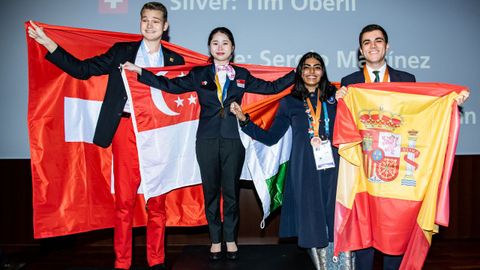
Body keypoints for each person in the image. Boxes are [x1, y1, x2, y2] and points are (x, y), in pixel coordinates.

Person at [27, 2, 184, 270]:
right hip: (125, 131)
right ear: (140, 23)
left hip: (157, 136)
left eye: (155, 21)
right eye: (145, 20)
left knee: (157, 202)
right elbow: (82, 70)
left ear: (165, 26)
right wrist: (48, 43)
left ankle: (156, 261)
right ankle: (122, 262)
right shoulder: (122, 52)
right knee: (123, 202)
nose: (149, 25)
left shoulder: (174, 61)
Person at [122, 26, 295, 261]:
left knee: (232, 194)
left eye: (225, 43)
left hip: (234, 141)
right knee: (211, 192)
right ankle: (215, 240)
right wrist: (140, 71)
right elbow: (170, 87)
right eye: (215, 43)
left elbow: (272, 88)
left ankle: (231, 240)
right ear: (210, 48)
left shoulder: (242, 75)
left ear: (232, 49)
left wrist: (298, 72)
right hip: (206, 141)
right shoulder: (199, 74)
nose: (220, 47)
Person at [338, 23, 468, 270]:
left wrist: (451, 100)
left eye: (378, 41)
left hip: (395, 171)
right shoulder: (350, 83)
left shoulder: (407, 80)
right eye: (367, 42)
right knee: (364, 231)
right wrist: (339, 100)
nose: (373, 46)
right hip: (364, 172)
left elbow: (424, 112)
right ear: (360, 51)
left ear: (387, 46)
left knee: (394, 231)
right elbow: (343, 123)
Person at [230, 52, 353, 270]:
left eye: (317, 67)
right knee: (312, 216)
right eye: (306, 67)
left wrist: (348, 97)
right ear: (299, 71)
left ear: (323, 72)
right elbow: (271, 137)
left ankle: (343, 264)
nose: (311, 71)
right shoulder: (289, 102)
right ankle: (324, 266)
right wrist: (245, 121)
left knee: (337, 214)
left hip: (334, 166)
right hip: (304, 169)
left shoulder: (336, 98)